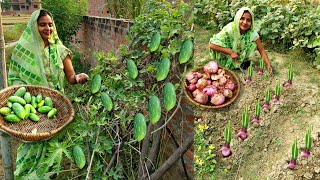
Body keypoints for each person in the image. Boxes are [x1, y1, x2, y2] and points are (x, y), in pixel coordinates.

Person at [7, 9, 88, 178]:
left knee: (52, 153)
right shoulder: (23, 50)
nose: (47, 28)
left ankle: (50, 175)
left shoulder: (60, 50)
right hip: (31, 109)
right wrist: (24, 100)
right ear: (34, 26)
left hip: (56, 110)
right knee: (30, 147)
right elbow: (14, 77)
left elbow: (71, 77)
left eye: (50, 24)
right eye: (42, 24)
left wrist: (78, 77)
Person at [209, 7, 273, 75]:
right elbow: (212, 45)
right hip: (226, 55)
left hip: (237, 55)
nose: (245, 22)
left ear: (251, 22)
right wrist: (231, 52)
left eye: (248, 20)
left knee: (253, 44)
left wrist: (268, 64)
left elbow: (261, 49)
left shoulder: (252, 33)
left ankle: (243, 62)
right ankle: (229, 63)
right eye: (242, 18)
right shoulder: (230, 29)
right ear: (237, 18)